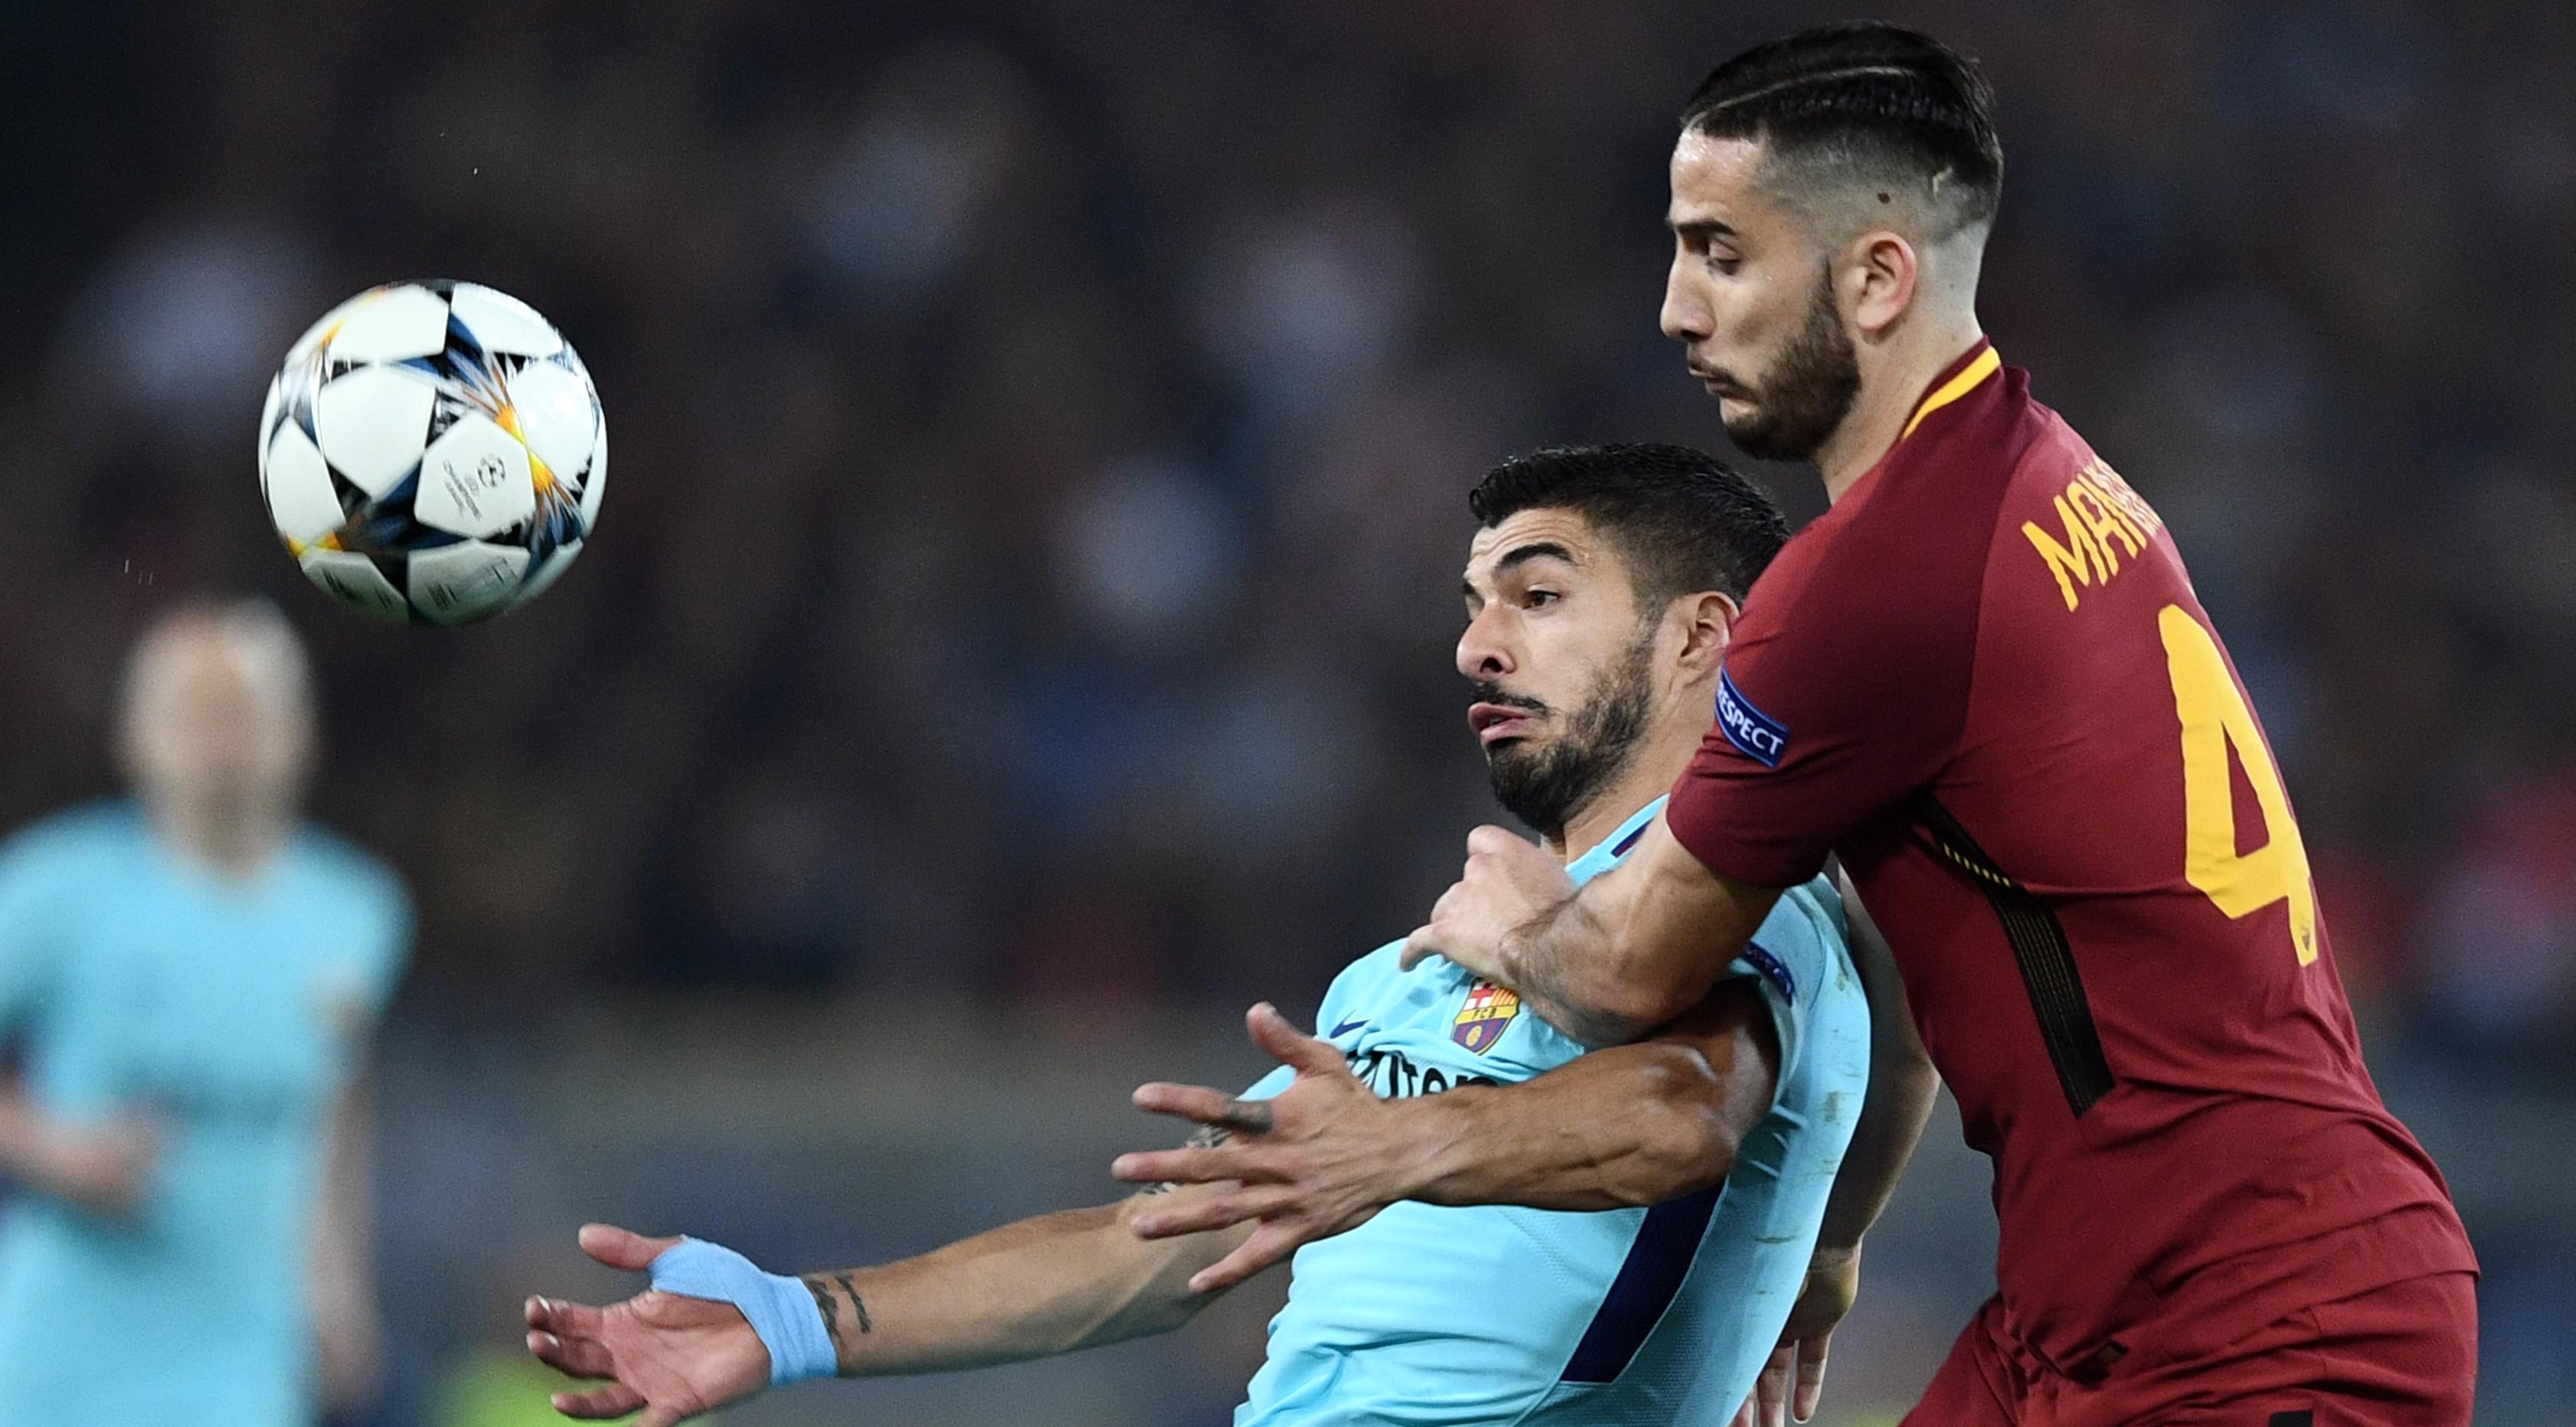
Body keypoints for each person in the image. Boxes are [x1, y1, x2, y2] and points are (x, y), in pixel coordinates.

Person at [1121, 23, 2478, 1427]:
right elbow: (1893, 950)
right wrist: (1828, 1245)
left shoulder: (1875, 577)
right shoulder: (2051, 475)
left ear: (1874, 275)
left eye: (1720, 253)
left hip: (2257, 1325)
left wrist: (1506, 920)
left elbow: (1627, 970)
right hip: (2107, 1306)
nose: (1674, 309)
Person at [523, 445, 1885, 1426]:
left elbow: (1686, 1109)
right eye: (1468, 606)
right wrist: (790, 1318)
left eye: (1532, 597)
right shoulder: (1412, 967)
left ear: (1699, 635)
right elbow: (1151, 1247)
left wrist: (1405, 1141)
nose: (1474, 647)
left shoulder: (1748, 904)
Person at [0, 599, 410, 1424]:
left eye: (244, 712)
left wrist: (338, 1284)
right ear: (134, 735)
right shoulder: (52, 890)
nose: (220, 740)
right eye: (191, 714)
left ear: (301, 732)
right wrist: (49, 1147)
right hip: (65, 1350)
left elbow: (336, 1104)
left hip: (242, 1355)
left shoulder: (358, 912)